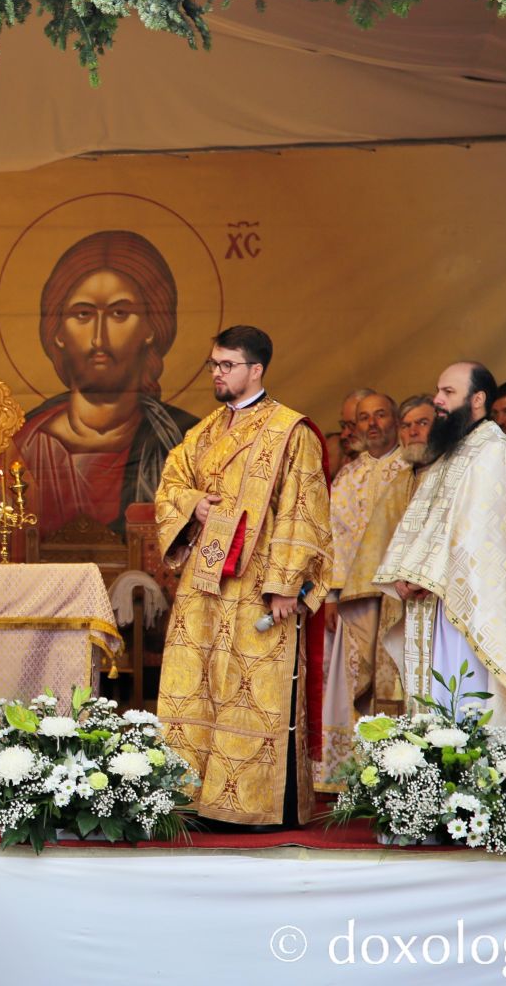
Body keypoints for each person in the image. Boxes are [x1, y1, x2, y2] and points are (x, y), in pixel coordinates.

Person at [154, 326, 331, 827]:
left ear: (255, 370)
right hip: (205, 583)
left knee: (253, 692)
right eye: (213, 364)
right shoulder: (205, 431)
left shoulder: (290, 431)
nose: (216, 373)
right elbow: (170, 486)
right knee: (200, 685)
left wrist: (286, 585)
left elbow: (304, 509)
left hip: (258, 586)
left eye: (227, 365)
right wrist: (194, 506)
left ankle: (256, 805)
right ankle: (194, 798)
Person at [375, 362, 506, 769]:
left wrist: (422, 574)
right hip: (438, 599)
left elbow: (479, 533)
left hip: (475, 608)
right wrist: (404, 572)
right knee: (441, 697)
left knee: (468, 693)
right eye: (438, 390)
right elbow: (422, 522)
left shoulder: (493, 450)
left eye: (447, 392)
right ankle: (437, 783)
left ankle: (473, 783)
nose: (438, 400)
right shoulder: (452, 451)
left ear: (478, 399)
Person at [13, 231, 199, 536]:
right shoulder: (22, 446)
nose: (99, 338)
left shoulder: (186, 440)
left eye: (119, 313)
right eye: (83, 314)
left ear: (151, 328)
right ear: (57, 332)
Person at [320, 390, 406, 785]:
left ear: (395, 419)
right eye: (364, 417)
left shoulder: (413, 468)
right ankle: (356, 774)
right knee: (356, 684)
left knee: (399, 681)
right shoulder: (348, 475)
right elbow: (332, 538)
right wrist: (332, 595)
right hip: (354, 600)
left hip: (401, 597)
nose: (373, 424)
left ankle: (399, 771)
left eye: (381, 415)